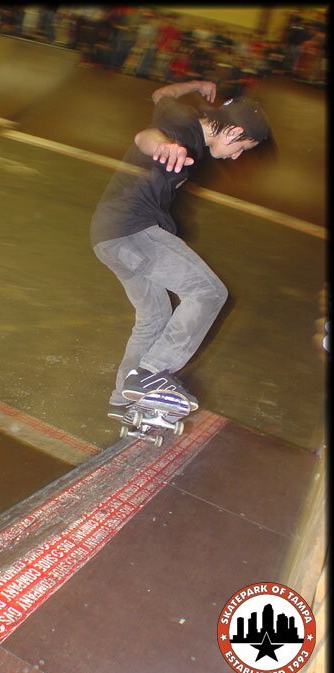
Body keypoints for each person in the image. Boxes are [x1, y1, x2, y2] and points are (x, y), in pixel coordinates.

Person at [90, 80, 270, 420]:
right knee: (209, 292)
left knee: (154, 317)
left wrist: (194, 84)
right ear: (232, 131)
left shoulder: (181, 113)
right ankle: (151, 377)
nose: (236, 156)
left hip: (108, 236)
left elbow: (162, 95)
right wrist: (164, 146)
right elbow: (144, 137)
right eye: (242, 147)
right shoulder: (183, 133)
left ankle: (124, 399)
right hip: (133, 232)